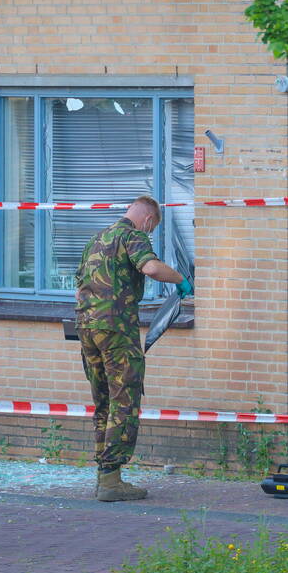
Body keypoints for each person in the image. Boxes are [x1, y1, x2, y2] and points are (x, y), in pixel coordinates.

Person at [75, 195, 193, 502]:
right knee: (124, 401)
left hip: (87, 328)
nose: (150, 233)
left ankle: (104, 476)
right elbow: (151, 268)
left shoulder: (97, 239)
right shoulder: (133, 235)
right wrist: (180, 280)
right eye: (152, 229)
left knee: (103, 402)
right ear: (149, 220)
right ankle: (112, 480)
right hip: (116, 329)